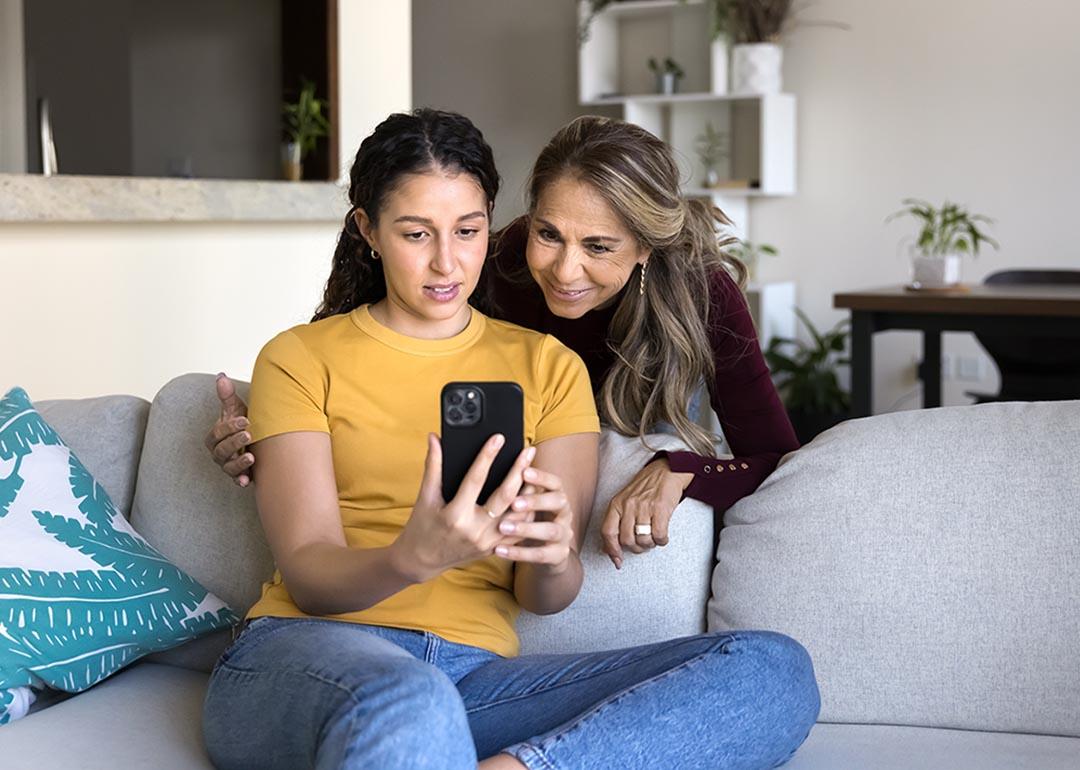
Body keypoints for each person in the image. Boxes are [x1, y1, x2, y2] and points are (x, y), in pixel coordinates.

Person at [201, 108, 818, 769]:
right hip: (308, 655)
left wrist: (552, 557)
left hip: (472, 680)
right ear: (368, 230)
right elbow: (311, 578)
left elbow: (544, 595)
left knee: (771, 669)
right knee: (409, 699)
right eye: (415, 233)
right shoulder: (300, 357)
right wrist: (414, 555)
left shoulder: (549, 366)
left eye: (467, 231)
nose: (446, 261)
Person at [207, 114, 798, 569]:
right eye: (548, 233)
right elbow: (380, 366)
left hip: (654, 412)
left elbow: (778, 455)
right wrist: (269, 435)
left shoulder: (703, 293)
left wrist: (684, 468)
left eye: (598, 247)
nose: (565, 272)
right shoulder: (494, 260)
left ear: (645, 247)